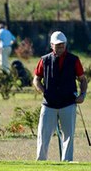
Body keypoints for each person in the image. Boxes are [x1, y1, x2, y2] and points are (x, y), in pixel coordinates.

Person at [33, 31, 87, 162]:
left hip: (68, 102)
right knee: (43, 135)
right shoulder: (44, 60)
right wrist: (43, 92)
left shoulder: (74, 60)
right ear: (51, 45)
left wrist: (82, 95)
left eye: (62, 45)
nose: (60, 48)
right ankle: (40, 162)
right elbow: (36, 79)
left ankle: (67, 162)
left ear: (65, 45)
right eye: (57, 45)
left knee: (68, 135)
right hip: (49, 103)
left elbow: (83, 80)